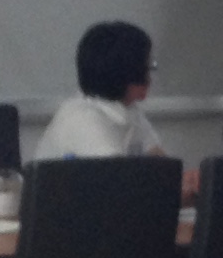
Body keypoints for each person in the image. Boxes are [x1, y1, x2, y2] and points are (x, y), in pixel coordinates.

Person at [35, 21, 173, 162]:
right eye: (146, 68)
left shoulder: (129, 110)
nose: (149, 79)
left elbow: (160, 160)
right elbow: (115, 173)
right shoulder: (81, 119)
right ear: (122, 73)